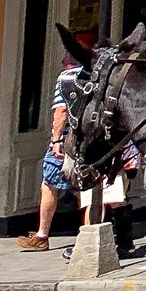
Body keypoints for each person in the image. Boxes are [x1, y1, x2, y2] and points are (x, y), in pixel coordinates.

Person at [17, 35, 93, 252]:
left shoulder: (67, 77)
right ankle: (86, 240)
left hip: (69, 139)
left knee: (49, 182)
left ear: (71, 58)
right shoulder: (97, 75)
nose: (61, 61)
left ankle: (42, 234)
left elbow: (61, 112)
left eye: (65, 56)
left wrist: (56, 140)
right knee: (89, 189)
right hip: (90, 138)